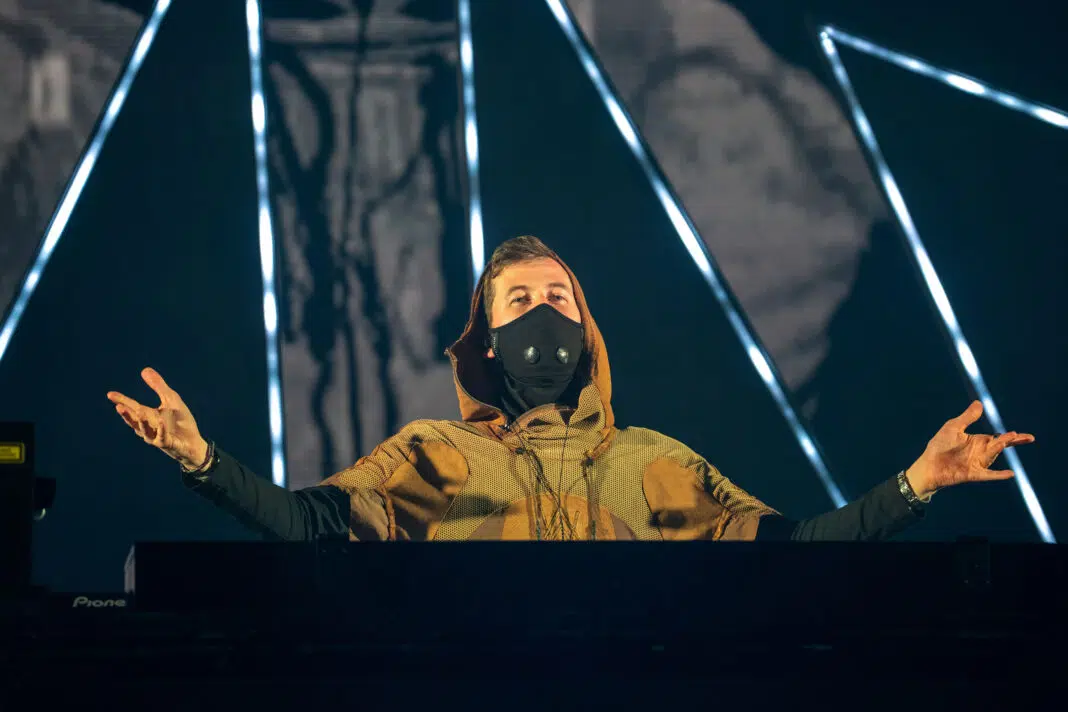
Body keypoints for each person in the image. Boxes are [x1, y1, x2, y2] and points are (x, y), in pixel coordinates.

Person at [106, 236, 1034, 541]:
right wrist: (202, 460)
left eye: (560, 299)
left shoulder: (657, 464)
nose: (543, 314)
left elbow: (790, 553)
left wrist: (917, 484)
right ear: (487, 339)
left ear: (587, 330)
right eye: (520, 301)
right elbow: (310, 524)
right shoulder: (431, 454)